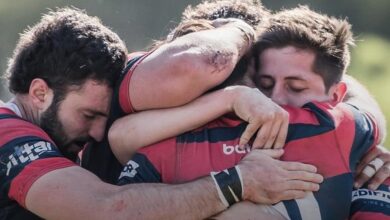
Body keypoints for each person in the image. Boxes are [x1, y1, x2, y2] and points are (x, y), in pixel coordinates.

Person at [0, 7, 323, 220]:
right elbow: (107, 210)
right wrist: (236, 183)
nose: (98, 133)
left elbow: (339, 87)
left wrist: (364, 130)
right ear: (40, 93)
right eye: (88, 115)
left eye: (103, 117)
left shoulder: (85, 106)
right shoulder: (5, 130)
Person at [112, 6, 383, 219]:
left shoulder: (340, 130)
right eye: (264, 86)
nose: (275, 100)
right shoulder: (152, 124)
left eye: (296, 87)